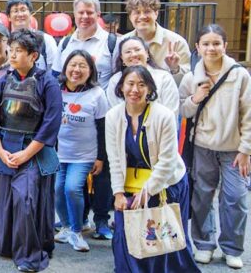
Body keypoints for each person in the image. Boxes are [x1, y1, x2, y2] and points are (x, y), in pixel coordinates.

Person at [0, 29, 61, 272]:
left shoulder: (48, 83)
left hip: (33, 152)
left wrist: (26, 154)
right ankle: (5, 245)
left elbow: (51, 124)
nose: (12, 55)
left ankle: (28, 255)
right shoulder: (4, 81)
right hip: (4, 148)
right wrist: (0, 151)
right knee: (2, 199)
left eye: (18, 51)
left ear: (34, 55)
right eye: (11, 50)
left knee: (24, 199)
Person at [106, 65, 199, 272]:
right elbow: (114, 158)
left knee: (164, 237)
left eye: (141, 84)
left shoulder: (163, 115)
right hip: (130, 183)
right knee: (126, 235)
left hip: (167, 183)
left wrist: (148, 192)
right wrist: (118, 193)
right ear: (121, 87)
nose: (135, 90)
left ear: (150, 89)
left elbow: (167, 161)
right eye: (130, 84)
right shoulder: (113, 116)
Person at [180, 25, 251, 269]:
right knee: (202, 196)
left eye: (216, 43)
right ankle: (204, 244)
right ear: (197, 48)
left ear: (225, 45)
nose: (211, 48)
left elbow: (248, 114)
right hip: (201, 146)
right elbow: (181, 110)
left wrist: (246, 150)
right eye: (206, 44)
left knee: (236, 198)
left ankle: (232, 248)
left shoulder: (239, 75)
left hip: (233, 149)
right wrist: (195, 98)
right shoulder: (191, 77)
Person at [53, 50, 109, 252]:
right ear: (65, 67)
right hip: (58, 153)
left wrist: (101, 157)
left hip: (84, 155)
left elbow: (103, 127)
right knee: (57, 190)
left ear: (90, 70)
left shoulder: (97, 94)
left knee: (71, 188)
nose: (76, 70)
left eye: (82, 66)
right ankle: (67, 227)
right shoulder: (55, 89)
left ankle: (77, 231)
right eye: (73, 65)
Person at [122, 0, 190, 85]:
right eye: (137, 12)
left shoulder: (177, 42)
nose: (142, 16)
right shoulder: (122, 42)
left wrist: (175, 69)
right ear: (130, 17)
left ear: (156, 14)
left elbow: (187, 81)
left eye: (147, 11)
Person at [104, 37, 180, 114]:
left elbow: (171, 112)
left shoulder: (164, 78)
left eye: (137, 50)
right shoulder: (115, 80)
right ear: (122, 58)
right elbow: (114, 113)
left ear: (147, 53)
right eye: (128, 52)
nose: (133, 54)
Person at [56, 0, 116, 87]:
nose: (85, 16)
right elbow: (56, 74)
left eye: (89, 12)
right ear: (75, 14)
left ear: (98, 15)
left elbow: (119, 79)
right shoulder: (65, 43)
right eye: (81, 12)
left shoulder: (112, 43)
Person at [6, 0, 60, 74]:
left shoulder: (46, 40)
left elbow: (53, 72)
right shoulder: (5, 42)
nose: (20, 14)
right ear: (9, 17)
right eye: (15, 11)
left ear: (30, 14)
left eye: (23, 10)